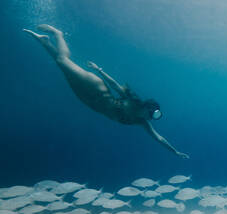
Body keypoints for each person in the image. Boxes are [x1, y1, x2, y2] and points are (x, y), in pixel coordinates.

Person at [23, 24, 189, 159]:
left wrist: (174, 151)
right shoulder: (133, 101)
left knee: (63, 67)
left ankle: (45, 42)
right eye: (152, 113)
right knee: (62, 60)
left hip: (88, 101)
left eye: (154, 117)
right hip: (95, 87)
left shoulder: (142, 123)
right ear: (147, 107)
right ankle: (57, 33)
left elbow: (159, 138)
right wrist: (99, 70)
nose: (151, 117)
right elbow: (115, 85)